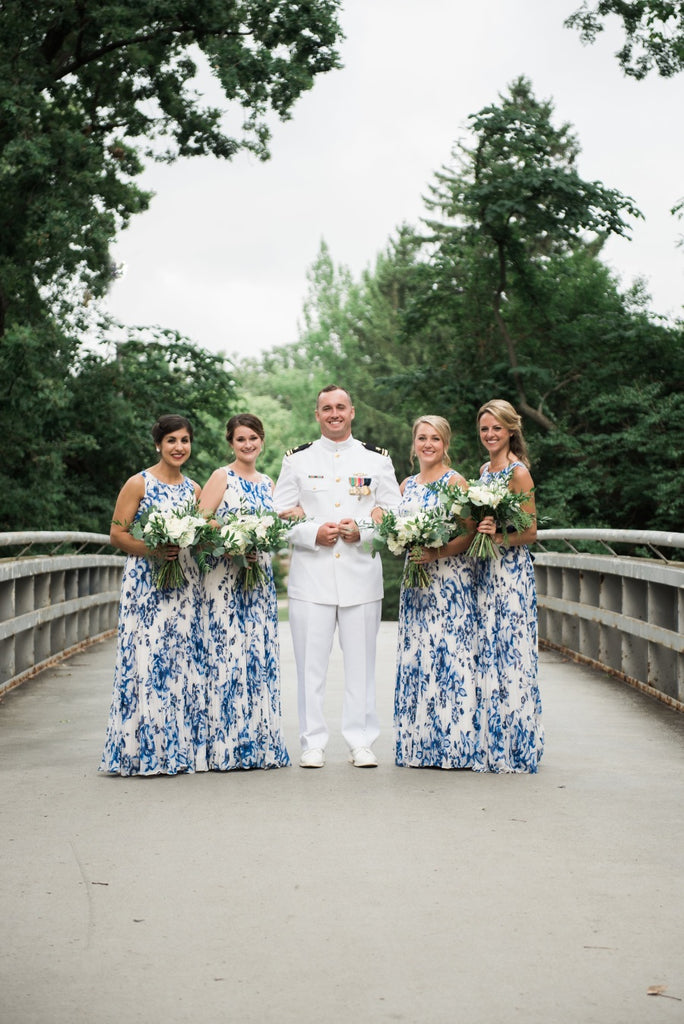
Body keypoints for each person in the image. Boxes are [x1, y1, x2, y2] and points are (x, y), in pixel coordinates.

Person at [273, 385, 402, 768]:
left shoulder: (375, 460)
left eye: (340, 407)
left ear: (352, 412)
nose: (334, 413)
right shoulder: (297, 461)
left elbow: (395, 514)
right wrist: (313, 532)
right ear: (317, 414)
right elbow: (277, 518)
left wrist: (363, 528)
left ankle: (360, 741)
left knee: (361, 667)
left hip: (360, 577)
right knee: (310, 667)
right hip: (311, 579)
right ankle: (312, 742)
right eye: (326, 408)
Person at [100, 414, 206, 776]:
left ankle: (178, 750)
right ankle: (142, 751)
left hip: (183, 585)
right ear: (158, 444)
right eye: (172, 440)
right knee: (148, 663)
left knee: (180, 662)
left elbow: (202, 536)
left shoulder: (194, 490)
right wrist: (154, 550)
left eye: (185, 440)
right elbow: (118, 535)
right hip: (146, 586)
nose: (179, 447)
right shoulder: (138, 483)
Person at [198, 414, 290, 770]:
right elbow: (201, 521)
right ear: (231, 444)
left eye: (253, 438)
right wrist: (234, 539)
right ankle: (225, 746)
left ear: (262, 441)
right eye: (240, 439)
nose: (248, 444)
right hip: (225, 577)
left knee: (255, 655)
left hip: (259, 579)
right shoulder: (223, 476)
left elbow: (273, 526)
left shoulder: (268, 482)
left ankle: (257, 743)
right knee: (227, 655)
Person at [393, 416, 480, 768]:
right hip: (415, 583)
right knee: (419, 657)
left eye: (435, 439)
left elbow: (470, 533)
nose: (428, 444)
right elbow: (395, 529)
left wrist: (436, 552)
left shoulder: (454, 481)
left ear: (445, 444)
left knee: (449, 657)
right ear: (414, 443)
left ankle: (453, 743)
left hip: (450, 581)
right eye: (422, 438)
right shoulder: (406, 485)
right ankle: (421, 744)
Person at [473, 399, 544, 773]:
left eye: (496, 428)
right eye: (485, 429)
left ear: (511, 430)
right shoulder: (485, 470)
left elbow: (530, 532)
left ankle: (518, 745)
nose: (490, 435)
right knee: (488, 651)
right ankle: (490, 740)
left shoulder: (519, 473)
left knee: (512, 654)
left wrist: (499, 536)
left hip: (511, 574)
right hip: (486, 573)